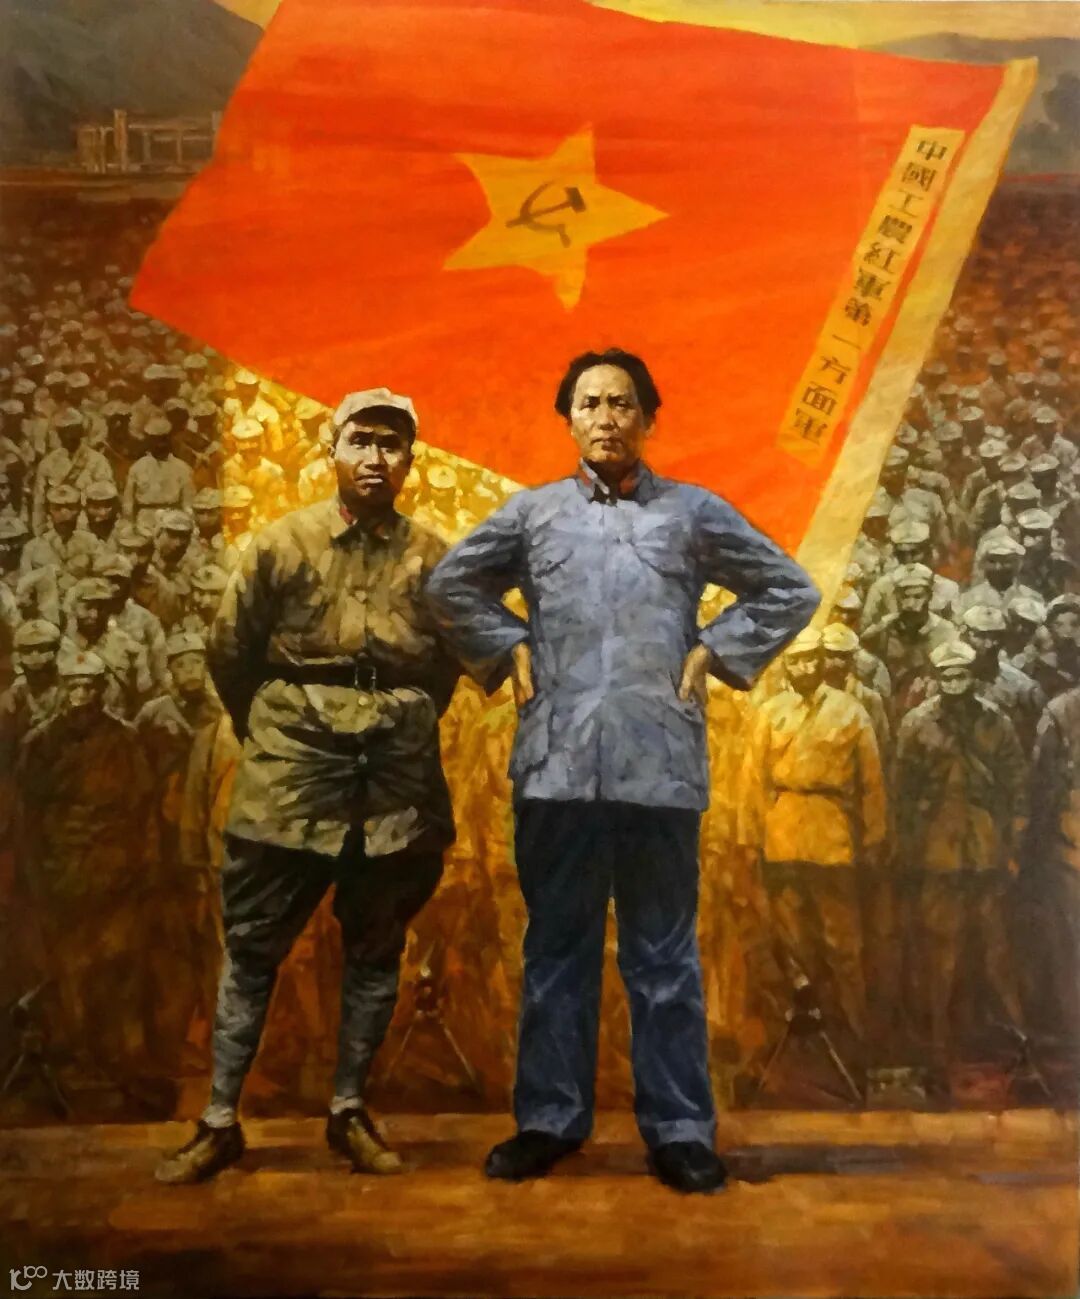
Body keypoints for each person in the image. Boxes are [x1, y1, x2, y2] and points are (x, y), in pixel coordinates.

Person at [426, 348, 818, 1192]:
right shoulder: (532, 515)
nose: (607, 417)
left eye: (623, 403)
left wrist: (715, 650)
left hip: (657, 766)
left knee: (663, 956)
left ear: (649, 418)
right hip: (558, 766)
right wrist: (508, 645)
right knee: (556, 950)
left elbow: (790, 589)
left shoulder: (692, 513)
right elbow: (450, 585)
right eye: (591, 403)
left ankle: (680, 1130)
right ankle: (548, 1119)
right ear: (568, 417)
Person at [156, 387, 460, 1185]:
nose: (375, 457)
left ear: (410, 459)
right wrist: (282, 730)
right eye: (361, 440)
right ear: (332, 451)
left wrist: (394, 716)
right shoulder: (279, 545)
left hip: (393, 779)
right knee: (254, 944)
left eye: (391, 443)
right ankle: (219, 1119)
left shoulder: (435, 558)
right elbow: (231, 654)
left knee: (377, 942)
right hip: (290, 772)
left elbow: (445, 669)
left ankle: (348, 1110)